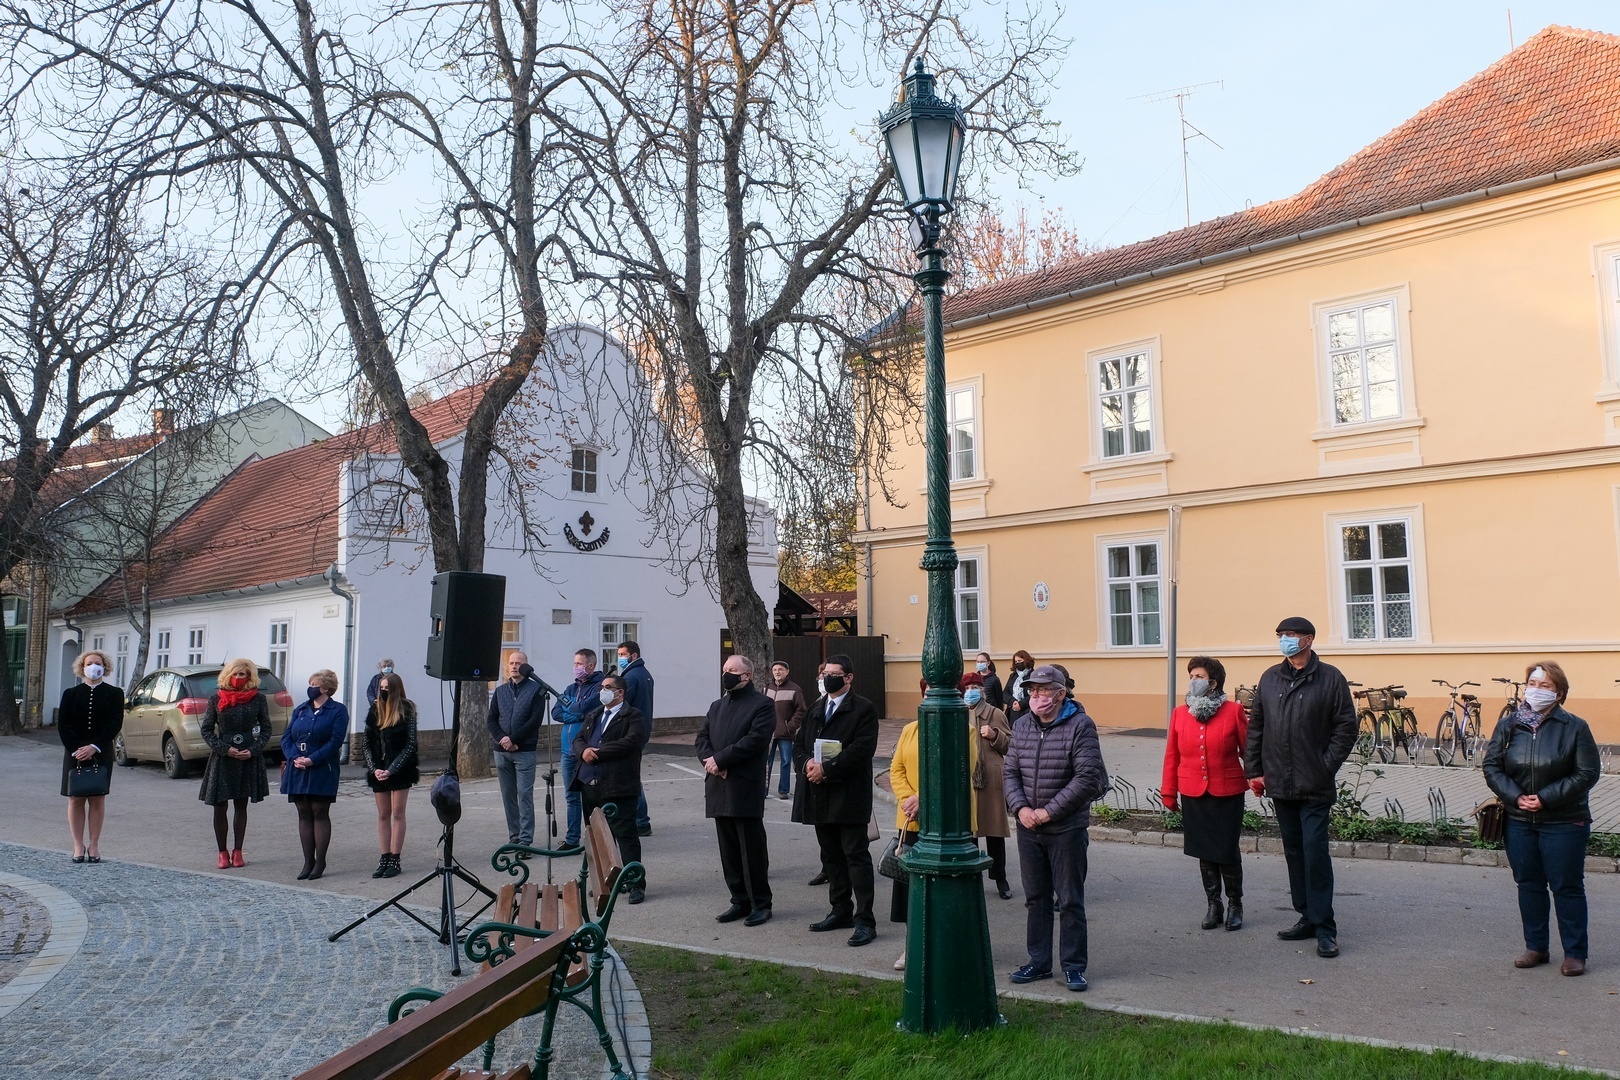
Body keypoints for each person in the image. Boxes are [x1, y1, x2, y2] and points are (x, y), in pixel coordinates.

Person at [1243, 616, 1357, 959]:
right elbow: (1257, 727)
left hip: (1314, 783)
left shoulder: (1330, 678)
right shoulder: (1270, 678)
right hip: (1280, 781)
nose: (1284, 640)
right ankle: (1306, 916)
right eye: (1280, 635)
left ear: (1308, 639)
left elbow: (1346, 728)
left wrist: (1325, 766)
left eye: (1290, 634)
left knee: (1314, 852)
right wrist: (1254, 770)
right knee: (1294, 851)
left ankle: (1325, 928)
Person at [1483, 661, 1601, 977]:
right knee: (1528, 884)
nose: (1536, 690)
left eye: (1545, 685)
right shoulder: (1508, 725)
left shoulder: (1575, 727)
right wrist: (1515, 796)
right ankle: (1536, 947)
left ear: (1559, 693)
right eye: (1532, 684)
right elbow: (1492, 766)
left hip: (1564, 821)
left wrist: (1546, 798)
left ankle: (1575, 953)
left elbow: (1587, 772)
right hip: (1519, 820)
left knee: (1567, 886)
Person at [1003, 664, 1107, 992]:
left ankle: (1074, 967)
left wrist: (1048, 812)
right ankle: (1039, 962)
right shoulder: (1021, 725)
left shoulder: (1081, 725)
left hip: (1066, 829)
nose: (1037, 696)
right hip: (1028, 828)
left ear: (1061, 694)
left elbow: (1087, 777)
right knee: (1036, 898)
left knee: (1070, 900)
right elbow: (1010, 772)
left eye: (1043, 690)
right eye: (1032, 691)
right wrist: (1021, 809)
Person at [887, 692, 988, 971]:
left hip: (952, 822)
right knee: (910, 887)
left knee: (950, 885)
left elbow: (959, 773)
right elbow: (896, 770)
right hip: (912, 820)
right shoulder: (910, 730)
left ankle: (954, 945)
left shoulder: (965, 731)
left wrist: (924, 798)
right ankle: (912, 946)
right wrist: (909, 798)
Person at [792, 653, 880, 947]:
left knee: (856, 857)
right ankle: (840, 910)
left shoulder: (863, 708)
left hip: (849, 795)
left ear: (848, 678)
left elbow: (862, 749)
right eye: (824, 674)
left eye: (833, 674)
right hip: (819, 795)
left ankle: (865, 919)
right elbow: (799, 745)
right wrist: (807, 764)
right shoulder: (816, 707)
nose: (826, 678)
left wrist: (827, 769)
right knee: (831, 857)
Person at [1161, 656, 1248, 931]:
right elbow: (1172, 755)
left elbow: (1249, 750)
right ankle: (1214, 904)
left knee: (1227, 850)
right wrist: (1168, 791)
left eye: (1199, 676)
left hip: (1227, 792)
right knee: (1204, 851)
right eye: (1191, 676)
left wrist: (1258, 778)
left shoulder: (1233, 711)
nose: (1193, 681)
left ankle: (1235, 904)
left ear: (1213, 682)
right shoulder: (1179, 713)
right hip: (1193, 792)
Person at [697, 655, 777, 926]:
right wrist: (711, 762)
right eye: (725, 670)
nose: (727, 674)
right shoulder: (717, 706)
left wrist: (721, 760)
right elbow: (702, 738)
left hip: (743, 785)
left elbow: (755, 740)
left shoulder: (762, 704)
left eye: (732, 670)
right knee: (728, 850)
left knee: (751, 849)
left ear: (747, 675)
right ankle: (739, 900)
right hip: (718, 785)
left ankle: (760, 903)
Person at [571, 672, 646, 903]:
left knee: (626, 836)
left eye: (607, 687)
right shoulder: (594, 714)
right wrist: (584, 751)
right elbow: (578, 739)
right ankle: (607, 882)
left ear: (619, 692)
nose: (601, 691)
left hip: (618, 786)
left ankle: (635, 883)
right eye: (601, 687)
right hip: (590, 784)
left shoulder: (633, 716)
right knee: (598, 838)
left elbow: (631, 742)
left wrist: (598, 753)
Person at [199, 658, 272, 869]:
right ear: (228, 675)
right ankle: (222, 852)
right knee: (220, 806)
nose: (239, 678)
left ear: (250, 677)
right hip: (223, 757)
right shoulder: (216, 699)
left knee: (241, 804)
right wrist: (224, 748)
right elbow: (206, 730)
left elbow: (266, 729)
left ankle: (238, 851)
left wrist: (253, 750)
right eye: (235, 674)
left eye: (243, 674)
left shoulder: (258, 699)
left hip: (247, 756)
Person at [280, 669, 350, 880]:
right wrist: (294, 757)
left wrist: (312, 759)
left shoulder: (337, 710)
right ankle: (308, 861)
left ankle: (320, 861)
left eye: (314, 685)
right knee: (303, 812)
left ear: (326, 688)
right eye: (310, 684)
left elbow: (335, 741)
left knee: (319, 811)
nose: (310, 689)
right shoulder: (301, 709)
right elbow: (286, 737)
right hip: (297, 768)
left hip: (321, 768)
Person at [58, 649, 122, 864]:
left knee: (97, 798)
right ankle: (78, 844)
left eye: (98, 663)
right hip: (74, 751)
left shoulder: (114, 693)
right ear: (82, 667)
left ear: (104, 667)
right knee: (75, 798)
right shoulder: (70, 693)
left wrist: (94, 746)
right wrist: (77, 749)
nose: (94, 667)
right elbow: (63, 724)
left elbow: (115, 723)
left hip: (100, 751)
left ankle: (94, 844)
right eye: (89, 663)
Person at [962, 671, 1014, 901]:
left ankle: (1000, 878)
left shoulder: (994, 713)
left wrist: (995, 735)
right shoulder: (959, 713)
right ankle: (971, 879)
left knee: (994, 832)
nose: (971, 692)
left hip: (990, 780)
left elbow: (1011, 745)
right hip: (966, 779)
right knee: (968, 834)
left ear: (982, 690)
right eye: (967, 688)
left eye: (975, 687)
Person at [486, 650, 546, 849]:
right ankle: (515, 836)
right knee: (508, 795)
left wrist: (513, 739)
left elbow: (534, 721)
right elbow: (492, 719)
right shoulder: (500, 691)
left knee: (524, 794)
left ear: (526, 666)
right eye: (511, 663)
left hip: (524, 751)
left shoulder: (537, 691)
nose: (514, 666)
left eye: (518, 663)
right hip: (501, 751)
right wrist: (503, 739)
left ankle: (526, 840)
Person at [365, 671, 420, 878]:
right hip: (379, 768)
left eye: (387, 688)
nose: (383, 692)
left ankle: (395, 859)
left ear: (396, 689)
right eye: (381, 688)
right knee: (383, 814)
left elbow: (410, 744)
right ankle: (384, 857)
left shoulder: (407, 708)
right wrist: (374, 768)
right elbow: (367, 742)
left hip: (400, 769)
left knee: (398, 813)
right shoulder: (375, 709)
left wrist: (392, 769)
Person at [551, 647, 605, 851]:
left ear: (590, 665)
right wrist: (575, 714)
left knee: (591, 797)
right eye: (574, 663)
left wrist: (575, 710)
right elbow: (556, 712)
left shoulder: (600, 687)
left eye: (579, 664)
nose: (576, 667)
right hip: (567, 751)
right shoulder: (571, 688)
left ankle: (598, 840)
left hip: (586, 750)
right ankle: (572, 840)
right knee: (571, 797)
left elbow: (588, 710)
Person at [616, 640, 656, 836]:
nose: (620, 658)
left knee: (630, 778)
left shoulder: (631, 676)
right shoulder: (644, 674)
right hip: (641, 730)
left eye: (623, 654)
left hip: (630, 732)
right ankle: (640, 820)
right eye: (619, 654)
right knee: (632, 776)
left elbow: (623, 705)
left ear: (634, 655)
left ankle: (641, 821)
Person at [765, 661, 807, 801]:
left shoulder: (795, 689)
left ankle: (783, 790)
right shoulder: (767, 688)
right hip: (769, 732)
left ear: (787, 671)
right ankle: (763, 790)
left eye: (780, 669)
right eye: (775, 670)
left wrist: (790, 726)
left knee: (785, 762)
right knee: (766, 762)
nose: (777, 672)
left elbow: (801, 710)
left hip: (786, 733)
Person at [1005, 650, 1035, 720]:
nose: (1018, 663)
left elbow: (1034, 694)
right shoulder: (1013, 676)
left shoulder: (1033, 675)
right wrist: (1012, 702)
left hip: (1028, 711)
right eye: (1016, 662)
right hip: (1013, 713)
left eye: (1020, 661)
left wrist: (1021, 704)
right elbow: (1005, 693)